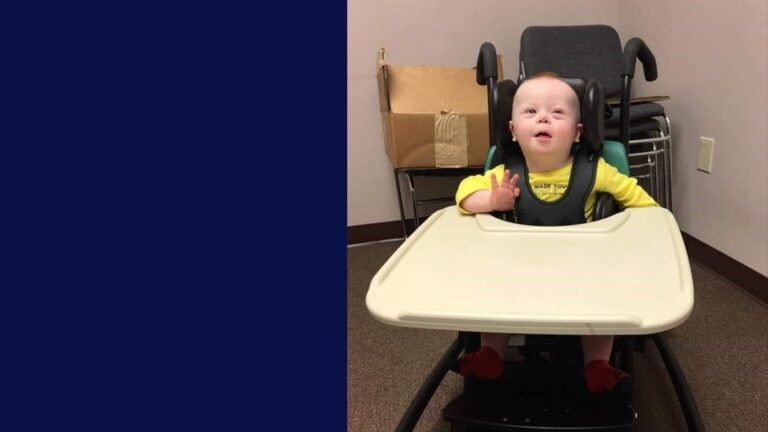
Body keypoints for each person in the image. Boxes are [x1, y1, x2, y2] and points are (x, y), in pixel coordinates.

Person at [454, 73, 658, 394]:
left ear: (578, 133)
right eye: (531, 112)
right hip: (518, 268)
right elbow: (464, 195)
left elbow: (642, 204)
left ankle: (598, 365)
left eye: (557, 113)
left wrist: (648, 232)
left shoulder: (598, 171)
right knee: (492, 292)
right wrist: (493, 200)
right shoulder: (505, 172)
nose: (544, 117)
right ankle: (491, 354)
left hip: (583, 269)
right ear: (512, 130)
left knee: (602, 299)